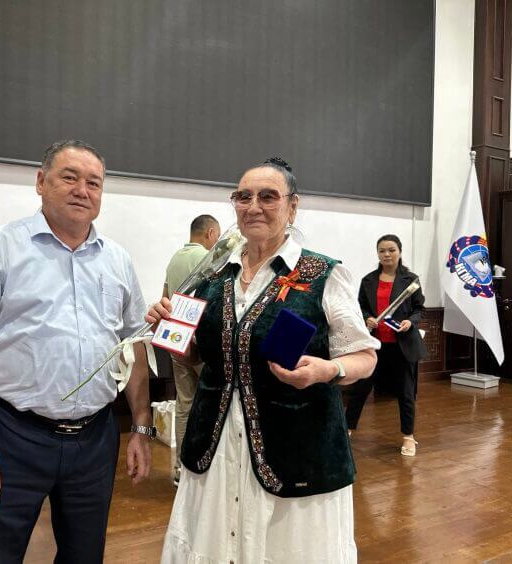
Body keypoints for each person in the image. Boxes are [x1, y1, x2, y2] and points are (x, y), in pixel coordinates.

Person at [147, 157, 379, 563]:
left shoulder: (323, 273)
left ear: (292, 206)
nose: (253, 207)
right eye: (244, 197)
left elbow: (364, 356)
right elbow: (200, 358)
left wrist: (328, 370)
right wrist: (170, 333)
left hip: (298, 446)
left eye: (268, 197)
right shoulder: (213, 275)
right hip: (216, 444)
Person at [0, 139, 155, 564]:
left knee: (84, 556)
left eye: (94, 183)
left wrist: (142, 426)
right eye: (69, 177)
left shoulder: (118, 260)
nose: (82, 191)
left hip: (95, 441)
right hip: (13, 436)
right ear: (41, 182)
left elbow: (133, 346)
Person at [345, 234, 426, 456]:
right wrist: (367, 318)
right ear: (377, 253)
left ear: (399, 252)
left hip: (402, 345)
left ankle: (408, 437)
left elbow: (419, 309)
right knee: (360, 389)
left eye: (391, 250)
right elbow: (359, 307)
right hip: (375, 344)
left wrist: (411, 321)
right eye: (382, 251)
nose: (387, 254)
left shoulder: (411, 280)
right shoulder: (368, 280)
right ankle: (347, 430)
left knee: (406, 393)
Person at [163, 214, 220, 485]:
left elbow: (165, 297)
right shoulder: (209, 259)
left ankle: (180, 469)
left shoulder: (174, 259)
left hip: (176, 339)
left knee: (184, 404)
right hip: (201, 342)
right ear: (211, 233)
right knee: (212, 403)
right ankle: (205, 467)